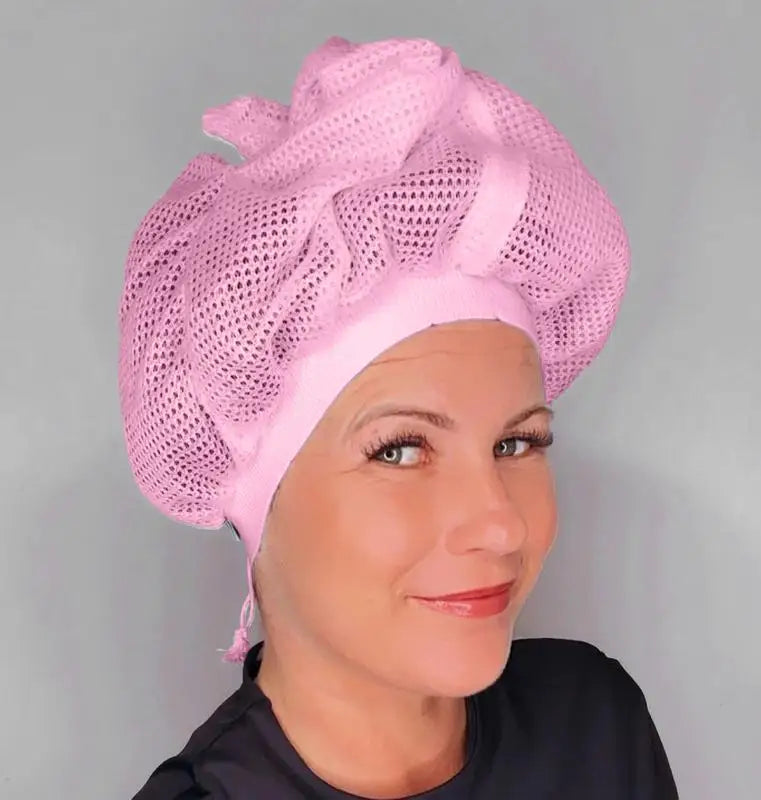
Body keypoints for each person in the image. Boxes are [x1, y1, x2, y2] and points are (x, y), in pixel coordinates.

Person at [119, 35, 679, 799]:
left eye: (518, 441)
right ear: (249, 490)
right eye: (401, 450)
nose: (501, 525)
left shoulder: (593, 726)